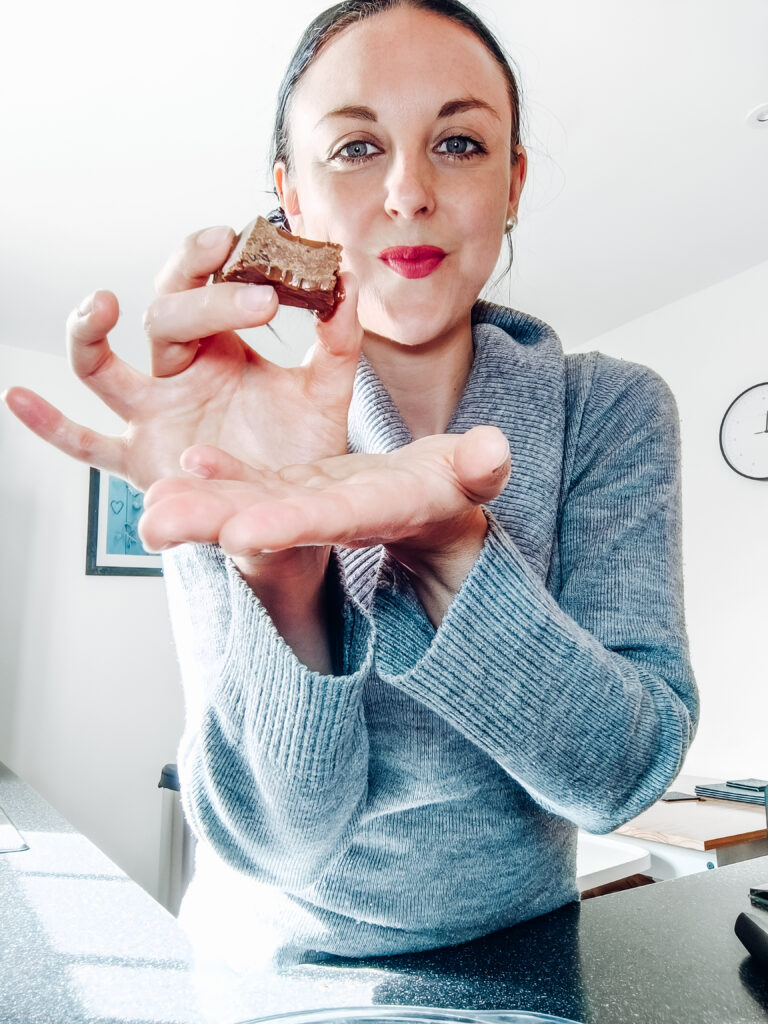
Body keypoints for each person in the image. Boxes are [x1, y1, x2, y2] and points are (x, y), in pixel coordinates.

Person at [4, 0, 697, 971]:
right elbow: (274, 843)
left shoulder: (612, 410)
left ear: (513, 182)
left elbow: (624, 774)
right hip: (269, 964)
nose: (409, 190)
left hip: (522, 958)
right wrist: (281, 571)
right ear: (286, 198)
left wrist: (454, 552)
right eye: (356, 148)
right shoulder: (229, 430)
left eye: (458, 142)